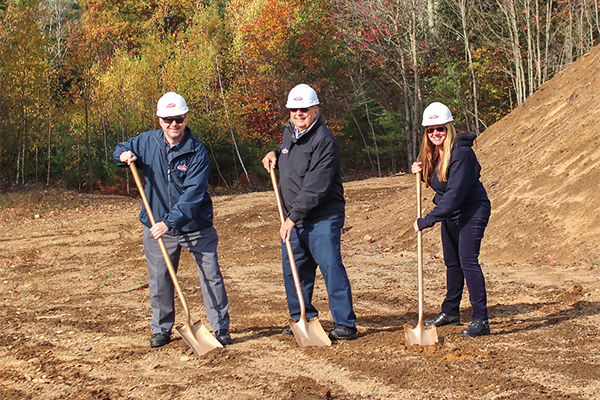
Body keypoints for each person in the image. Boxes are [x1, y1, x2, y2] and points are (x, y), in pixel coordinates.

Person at [113, 92, 232, 348]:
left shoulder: (197, 150)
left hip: (194, 225)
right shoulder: (146, 142)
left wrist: (170, 222)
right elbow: (121, 148)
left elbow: (193, 194)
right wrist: (123, 156)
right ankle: (161, 329)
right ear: (159, 121)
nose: (173, 124)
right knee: (159, 278)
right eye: (168, 120)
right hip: (155, 224)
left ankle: (220, 328)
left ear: (186, 118)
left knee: (211, 275)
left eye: (178, 119)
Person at [262, 84, 358, 341]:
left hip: (322, 218)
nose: (298, 113)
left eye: (304, 109)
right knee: (295, 270)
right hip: (294, 218)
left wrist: (291, 218)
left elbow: (316, 186)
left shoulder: (324, 140)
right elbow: (288, 153)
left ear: (315, 110)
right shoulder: (289, 135)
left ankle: (345, 324)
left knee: (330, 267)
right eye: (294, 109)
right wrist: (273, 152)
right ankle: (301, 316)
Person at [411, 102, 492, 338]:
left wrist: (427, 220)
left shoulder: (462, 153)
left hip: (472, 210)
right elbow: (439, 184)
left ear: (449, 128)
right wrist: (420, 170)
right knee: (452, 263)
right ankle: (451, 312)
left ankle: (481, 319)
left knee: (468, 262)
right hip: (451, 213)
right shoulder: (434, 153)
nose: (435, 133)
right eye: (430, 129)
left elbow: (454, 196)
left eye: (440, 128)